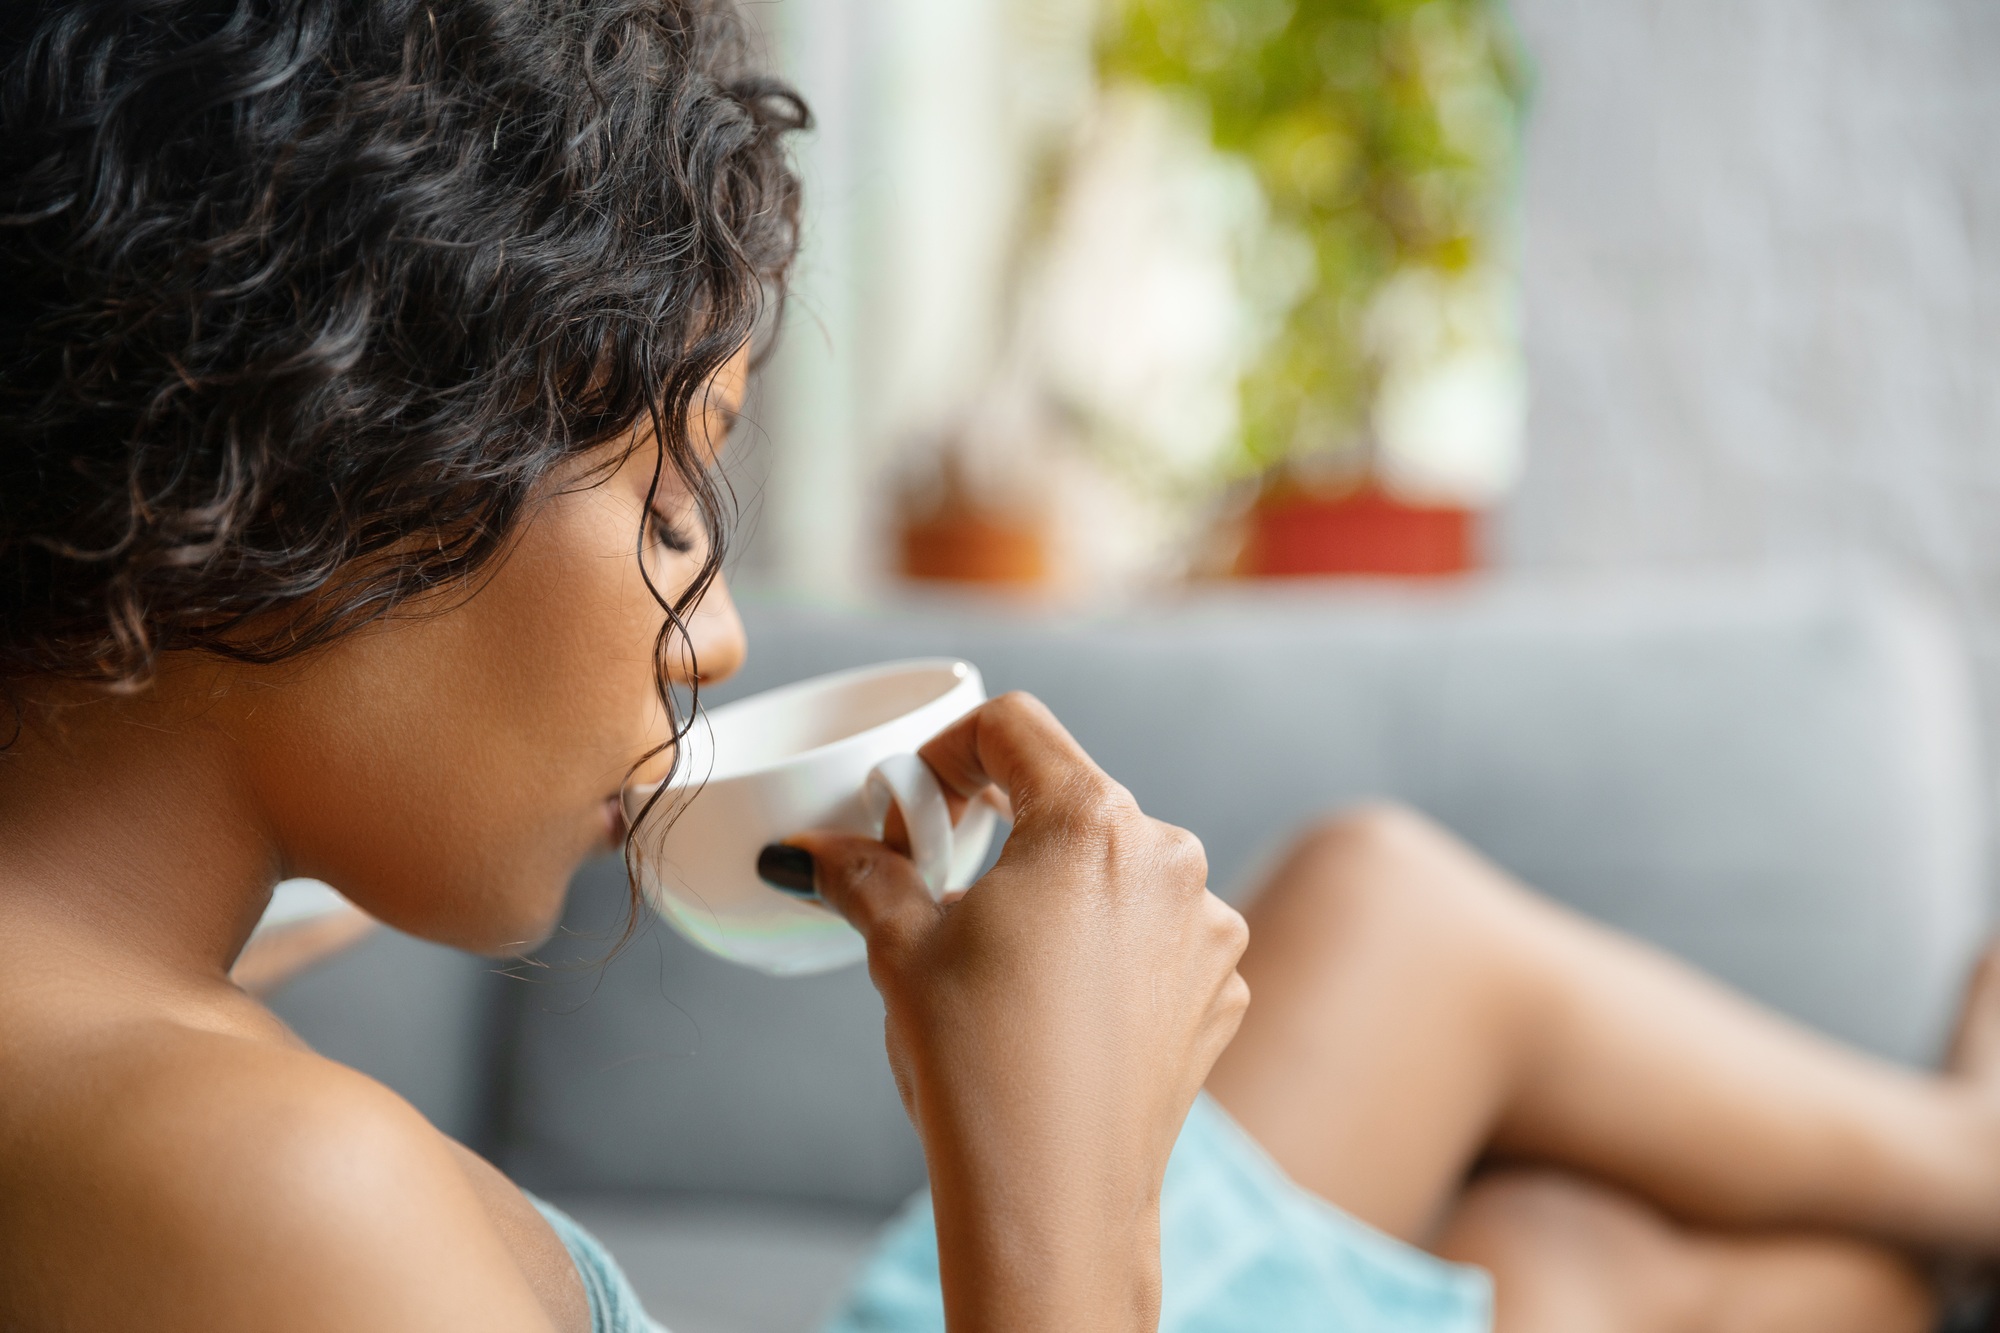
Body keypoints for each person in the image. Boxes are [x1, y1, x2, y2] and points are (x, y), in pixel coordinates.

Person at [0, 3, 1991, 1331]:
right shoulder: (275, 1196)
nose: (715, 632)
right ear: (324, 472)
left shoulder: (100, 1020)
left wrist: (262, 885)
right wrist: (1051, 1165)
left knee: (1540, 1230)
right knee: (1555, 1258)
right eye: (671, 498)